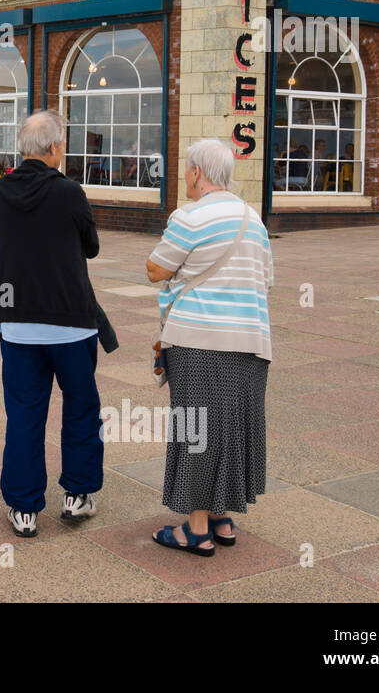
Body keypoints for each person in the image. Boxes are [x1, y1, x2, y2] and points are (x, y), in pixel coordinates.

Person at [146, 138, 274, 557]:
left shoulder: (189, 216)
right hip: (251, 340)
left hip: (200, 339)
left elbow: (155, 269)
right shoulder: (252, 219)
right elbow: (266, 278)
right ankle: (223, 517)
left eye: (187, 169)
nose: (185, 175)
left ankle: (196, 529)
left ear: (198, 172)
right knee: (233, 429)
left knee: (197, 428)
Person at [0, 110, 103, 538]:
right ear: (54, 148)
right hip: (71, 322)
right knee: (81, 409)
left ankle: (24, 507)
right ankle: (77, 495)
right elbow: (91, 247)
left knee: (24, 415)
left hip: (17, 323)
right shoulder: (70, 193)